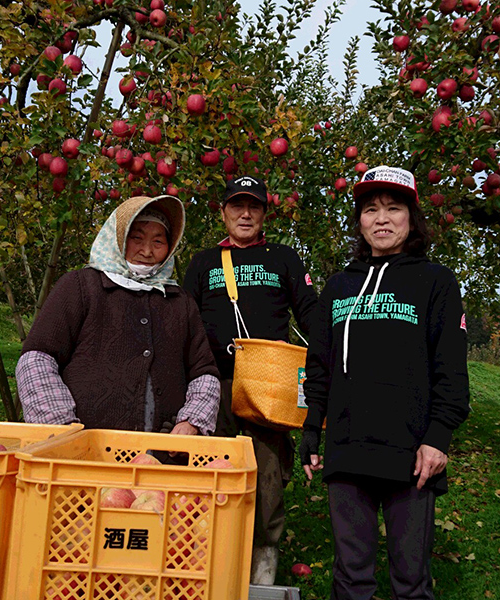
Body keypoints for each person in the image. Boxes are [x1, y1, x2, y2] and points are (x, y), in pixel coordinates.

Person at [299, 166, 470, 600]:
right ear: (359, 220)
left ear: (411, 218)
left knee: (410, 581)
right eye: (371, 209)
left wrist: (438, 438)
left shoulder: (436, 283)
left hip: (410, 455)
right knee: (351, 579)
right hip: (348, 448)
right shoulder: (338, 287)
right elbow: (317, 366)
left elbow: (450, 369)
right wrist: (310, 431)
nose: (382, 218)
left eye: (394, 208)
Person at [184, 175, 318, 585]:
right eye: (237, 206)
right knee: (209, 476)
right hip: (213, 388)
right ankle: (206, 566)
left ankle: (261, 575)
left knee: (266, 477)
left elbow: (311, 317)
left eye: (254, 207)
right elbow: (184, 323)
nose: (245, 214)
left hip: (268, 391)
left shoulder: (283, 259)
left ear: (264, 214)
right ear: (222, 212)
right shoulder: (203, 262)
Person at [16, 194, 220, 438]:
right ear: (119, 237)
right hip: (83, 452)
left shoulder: (179, 301)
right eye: (137, 238)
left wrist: (191, 422)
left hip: (161, 456)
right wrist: (61, 426)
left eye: (158, 241)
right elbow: (36, 359)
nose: (146, 251)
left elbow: (204, 373)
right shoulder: (82, 287)